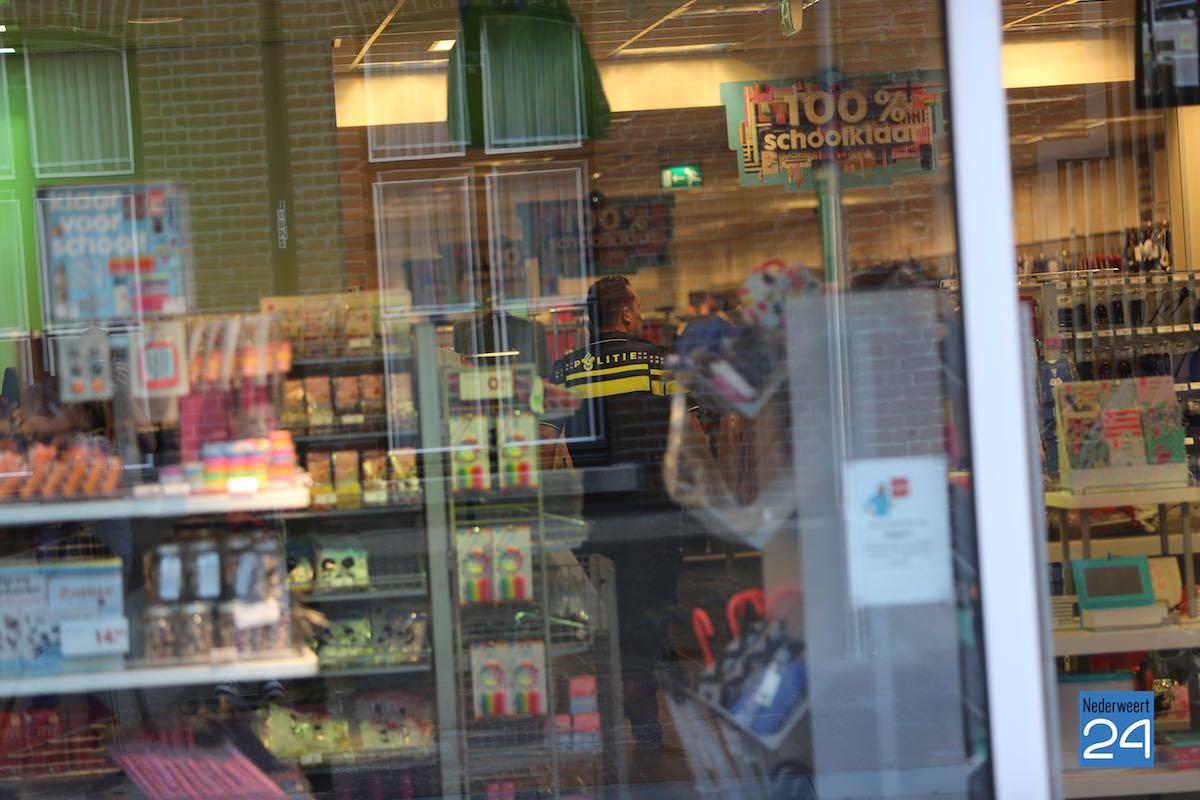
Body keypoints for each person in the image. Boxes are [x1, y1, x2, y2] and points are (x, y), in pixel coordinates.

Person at [549, 275, 684, 777]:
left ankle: (609, 727)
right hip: (654, 516)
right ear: (626, 313)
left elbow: (543, 450)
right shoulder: (658, 362)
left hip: (594, 520)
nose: (641, 313)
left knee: (605, 624)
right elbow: (690, 438)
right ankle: (645, 726)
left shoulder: (565, 369)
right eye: (638, 306)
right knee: (645, 621)